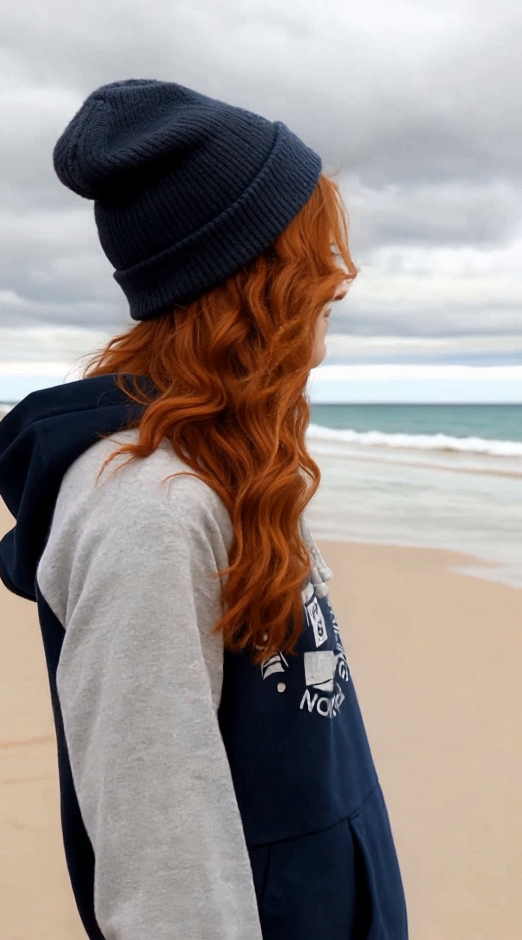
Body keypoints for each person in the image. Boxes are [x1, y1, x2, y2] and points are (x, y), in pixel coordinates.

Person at [0, 79, 409, 939]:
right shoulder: (150, 512)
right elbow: (164, 864)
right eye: (312, 253)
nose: (341, 277)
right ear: (246, 282)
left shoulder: (228, 463)